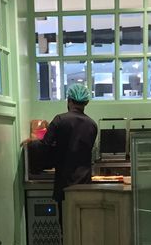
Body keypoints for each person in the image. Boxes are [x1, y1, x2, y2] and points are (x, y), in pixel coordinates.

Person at [27, 83, 98, 225]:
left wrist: (31, 143)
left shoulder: (60, 120)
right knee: (83, 226)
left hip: (65, 183)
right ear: (86, 102)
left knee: (66, 226)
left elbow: (44, 146)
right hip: (85, 184)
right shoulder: (92, 125)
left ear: (69, 100)